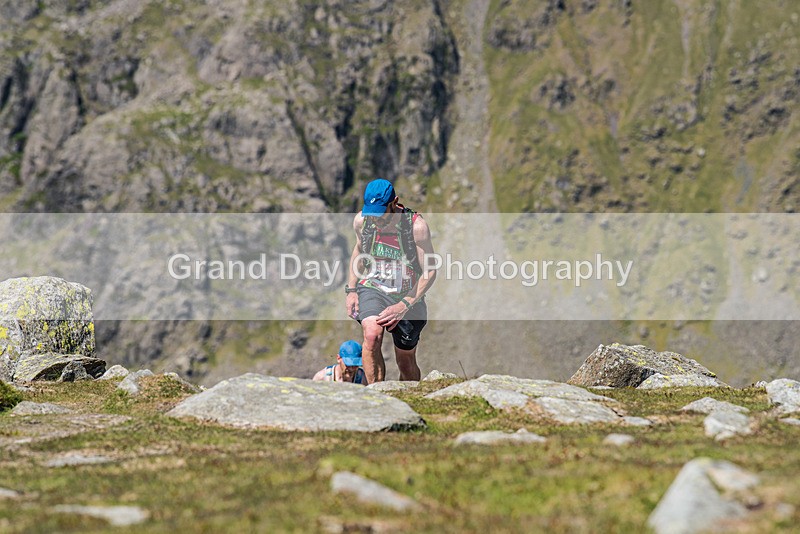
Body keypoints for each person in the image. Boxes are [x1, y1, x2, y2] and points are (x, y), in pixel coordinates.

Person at [345, 178, 437, 383]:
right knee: (371, 335)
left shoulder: (417, 228)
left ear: (394, 203)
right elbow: (359, 250)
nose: (376, 219)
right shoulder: (362, 221)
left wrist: (404, 305)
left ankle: (413, 399)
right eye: (372, 213)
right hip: (373, 288)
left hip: (407, 295)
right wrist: (351, 290)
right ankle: (377, 397)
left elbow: (430, 271)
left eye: (381, 213)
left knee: (405, 361)